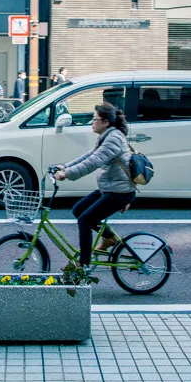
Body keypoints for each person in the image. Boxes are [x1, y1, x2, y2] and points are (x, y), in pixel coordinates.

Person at [53, 102, 136, 270]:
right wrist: (65, 166)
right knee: (78, 210)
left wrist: (67, 174)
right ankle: (109, 238)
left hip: (119, 192)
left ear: (105, 122)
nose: (92, 122)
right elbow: (90, 155)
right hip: (110, 188)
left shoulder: (113, 138)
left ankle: (82, 264)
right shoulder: (108, 135)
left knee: (85, 219)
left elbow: (93, 162)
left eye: (94, 119)